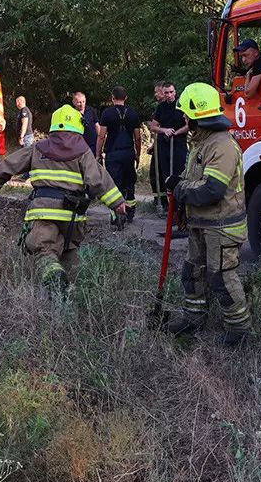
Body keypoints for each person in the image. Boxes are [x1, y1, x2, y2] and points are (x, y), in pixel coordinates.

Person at [0, 105, 127, 288]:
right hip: (72, 216)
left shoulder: (39, 148)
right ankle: (71, 291)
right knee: (70, 251)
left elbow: (9, 165)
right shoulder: (82, 151)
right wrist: (117, 203)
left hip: (44, 211)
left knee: (44, 250)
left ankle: (54, 277)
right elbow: (98, 179)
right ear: (78, 125)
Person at [165, 82, 249, 346]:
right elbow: (198, 181)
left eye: (186, 113)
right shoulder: (203, 143)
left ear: (196, 115)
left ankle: (239, 330)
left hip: (221, 226)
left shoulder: (221, 145)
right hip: (202, 223)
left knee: (222, 278)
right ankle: (194, 318)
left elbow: (211, 190)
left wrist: (178, 188)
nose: (183, 117)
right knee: (192, 272)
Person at [96, 86, 141, 221]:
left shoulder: (107, 113)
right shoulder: (133, 113)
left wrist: (97, 154)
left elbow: (101, 136)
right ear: (126, 98)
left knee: (115, 184)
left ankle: (116, 216)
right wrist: (138, 154)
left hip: (113, 154)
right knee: (129, 182)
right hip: (128, 152)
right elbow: (137, 137)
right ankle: (130, 212)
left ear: (112, 98)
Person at [148, 82, 188, 216]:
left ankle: (181, 209)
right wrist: (164, 130)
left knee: (180, 174)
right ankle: (169, 208)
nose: (169, 95)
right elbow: (153, 127)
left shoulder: (182, 106)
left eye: (171, 92)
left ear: (175, 92)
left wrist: (176, 132)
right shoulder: (161, 108)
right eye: (166, 93)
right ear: (163, 94)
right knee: (167, 176)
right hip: (164, 146)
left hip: (179, 145)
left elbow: (189, 125)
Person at [71, 91, 100, 156]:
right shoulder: (71, 114)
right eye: (79, 102)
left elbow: (97, 125)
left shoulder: (91, 110)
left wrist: (100, 139)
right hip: (80, 147)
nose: (82, 104)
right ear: (73, 102)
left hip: (93, 145)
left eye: (83, 101)